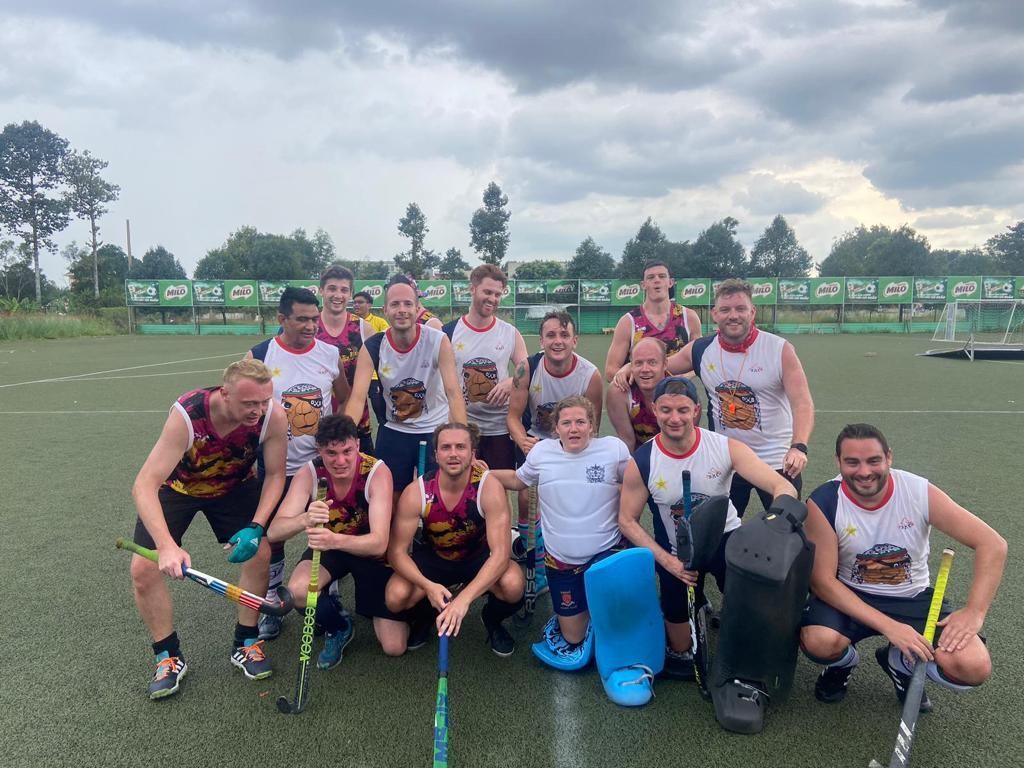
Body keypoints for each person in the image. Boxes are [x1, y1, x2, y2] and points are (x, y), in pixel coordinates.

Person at [800, 423, 1006, 710]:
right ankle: (841, 666)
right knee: (819, 642)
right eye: (852, 462)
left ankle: (898, 663)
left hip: (912, 598)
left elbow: (993, 544)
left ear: (889, 458)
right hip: (851, 595)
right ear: (838, 462)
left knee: (973, 666)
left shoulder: (918, 492)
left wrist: (975, 611)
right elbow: (822, 582)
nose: (864, 471)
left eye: (873, 460)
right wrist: (891, 627)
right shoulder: (824, 501)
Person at [128, 359, 289, 699]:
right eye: (250, 403)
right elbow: (144, 484)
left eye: (263, 401)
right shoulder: (188, 414)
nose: (258, 411)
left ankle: (246, 641)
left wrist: (257, 526)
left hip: (234, 487)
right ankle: (168, 655)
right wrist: (166, 545)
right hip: (179, 489)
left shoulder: (272, 415)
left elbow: (274, 475)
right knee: (143, 567)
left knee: (260, 552)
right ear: (224, 393)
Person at [617, 376, 797, 679]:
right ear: (654, 409)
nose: (675, 418)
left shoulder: (725, 447)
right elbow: (626, 520)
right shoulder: (644, 460)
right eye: (666, 410)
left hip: (726, 541)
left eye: (683, 410)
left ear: (697, 410)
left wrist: (773, 523)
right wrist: (670, 563)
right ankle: (688, 604)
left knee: (754, 617)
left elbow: (781, 486)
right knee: (682, 646)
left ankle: (721, 603)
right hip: (676, 551)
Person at [616, 278, 814, 517]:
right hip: (725, 461)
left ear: (752, 312)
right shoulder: (701, 349)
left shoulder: (779, 349)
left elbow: (802, 402)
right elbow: (659, 366)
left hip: (777, 460)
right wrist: (630, 367)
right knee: (718, 534)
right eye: (725, 310)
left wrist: (799, 447)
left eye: (741, 309)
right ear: (715, 314)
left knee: (785, 534)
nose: (733, 315)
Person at [491, 396, 631, 659]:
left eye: (580, 422)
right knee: (574, 637)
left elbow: (635, 482)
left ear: (592, 426)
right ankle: (578, 614)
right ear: (556, 428)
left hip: (606, 553)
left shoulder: (613, 450)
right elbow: (518, 480)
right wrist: (481, 474)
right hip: (562, 561)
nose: (574, 428)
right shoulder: (542, 453)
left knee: (611, 626)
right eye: (566, 423)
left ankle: (600, 605)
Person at [247, 286, 348, 641]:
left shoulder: (330, 353)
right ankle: (272, 601)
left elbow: (345, 398)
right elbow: (249, 411)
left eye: (313, 318)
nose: (310, 325)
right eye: (301, 319)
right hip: (277, 468)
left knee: (325, 528)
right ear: (282, 319)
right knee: (272, 535)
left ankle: (328, 590)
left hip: (321, 466)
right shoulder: (261, 356)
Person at [267, 414, 406, 667]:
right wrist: (304, 519)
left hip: (369, 552)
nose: (340, 461)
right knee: (299, 591)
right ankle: (339, 625)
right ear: (319, 449)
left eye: (347, 451)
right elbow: (275, 531)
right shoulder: (309, 473)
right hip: (329, 549)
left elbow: (379, 543)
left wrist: (333, 540)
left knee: (394, 647)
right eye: (331, 453)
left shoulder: (376, 472)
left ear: (358, 446)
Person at [385, 422, 525, 655]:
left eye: (460, 447)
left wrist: (464, 600)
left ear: (472, 454)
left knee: (513, 585)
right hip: (434, 559)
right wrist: (428, 586)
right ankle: (426, 616)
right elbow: (396, 552)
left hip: (476, 559)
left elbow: (500, 555)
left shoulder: (488, 487)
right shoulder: (417, 491)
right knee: (395, 596)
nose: (453, 453)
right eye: (446, 447)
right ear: (436, 455)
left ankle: (491, 620)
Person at [507, 310, 604, 596]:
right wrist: (522, 441)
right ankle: (535, 566)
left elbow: (593, 428)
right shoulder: (527, 368)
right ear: (541, 340)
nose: (557, 341)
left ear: (575, 340)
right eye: (551, 335)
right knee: (526, 496)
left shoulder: (590, 376)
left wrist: (573, 454)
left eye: (564, 335)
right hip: (537, 442)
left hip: (574, 445)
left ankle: (573, 554)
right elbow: (513, 417)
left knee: (572, 498)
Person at [345, 276, 466, 498]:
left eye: (408, 304)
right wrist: (344, 435)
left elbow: (454, 393)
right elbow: (357, 397)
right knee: (390, 499)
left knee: (438, 500)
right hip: (394, 431)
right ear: (385, 310)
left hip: (434, 430)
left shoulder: (438, 340)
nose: (402, 310)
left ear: (417, 308)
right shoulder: (373, 346)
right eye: (395, 304)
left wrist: (463, 440)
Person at [443, 264, 528, 471]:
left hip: (499, 427)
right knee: (463, 487)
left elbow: (527, 368)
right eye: (487, 292)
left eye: (498, 294)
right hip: (462, 425)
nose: (493, 298)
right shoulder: (449, 332)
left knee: (499, 487)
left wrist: (511, 381)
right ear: (472, 289)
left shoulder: (509, 333)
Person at [603, 260, 702, 382]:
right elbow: (610, 371)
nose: (657, 280)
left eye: (662, 276)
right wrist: (635, 373)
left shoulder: (689, 317)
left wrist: (686, 376)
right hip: (640, 397)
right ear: (643, 284)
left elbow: (701, 359)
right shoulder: (628, 322)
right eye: (651, 277)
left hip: (678, 395)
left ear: (670, 282)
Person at [315, 265, 374, 454]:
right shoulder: (308, 327)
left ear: (350, 294)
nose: (337, 295)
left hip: (357, 424)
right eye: (332, 289)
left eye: (344, 290)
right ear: (321, 290)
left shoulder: (365, 329)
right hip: (314, 426)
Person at [606, 337, 667, 452]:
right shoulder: (620, 392)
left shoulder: (679, 394)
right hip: (638, 458)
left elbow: (682, 443)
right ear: (631, 365)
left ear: (665, 364)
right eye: (638, 363)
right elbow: (627, 441)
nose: (645, 369)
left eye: (652, 362)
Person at [352, 289, 390, 428]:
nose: (356, 305)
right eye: (354, 302)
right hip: (355, 375)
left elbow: (386, 345)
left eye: (360, 302)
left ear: (369, 305)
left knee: (380, 411)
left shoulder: (379, 322)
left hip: (374, 375)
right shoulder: (351, 323)